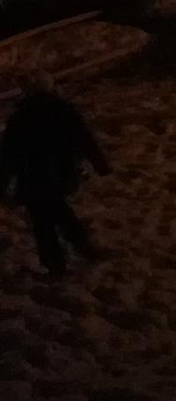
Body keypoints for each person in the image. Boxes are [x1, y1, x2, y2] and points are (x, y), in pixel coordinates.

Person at [1, 77, 110, 275]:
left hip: (33, 177)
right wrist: (100, 165)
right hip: (60, 173)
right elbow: (84, 138)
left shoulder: (21, 118)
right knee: (62, 214)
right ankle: (84, 249)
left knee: (43, 224)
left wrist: (2, 183)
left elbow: (9, 155)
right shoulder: (63, 111)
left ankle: (56, 263)